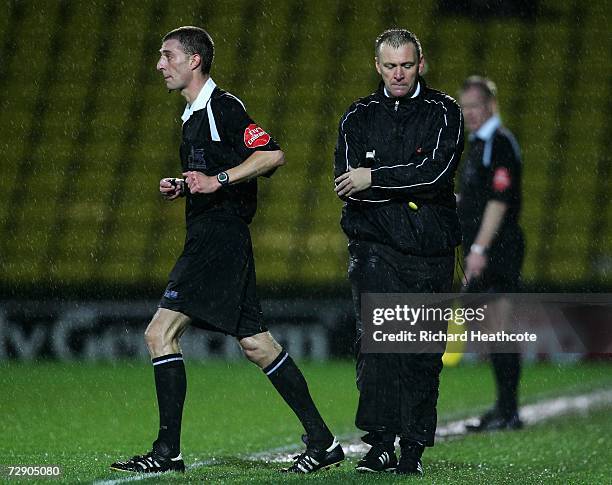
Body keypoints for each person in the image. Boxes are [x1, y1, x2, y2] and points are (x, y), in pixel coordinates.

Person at [110, 26, 344, 475]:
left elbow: (272, 155)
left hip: (218, 241)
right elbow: (215, 174)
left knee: (160, 333)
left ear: (194, 60)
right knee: (257, 344)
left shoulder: (223, 106)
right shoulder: (193, 115)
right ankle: (323, 440)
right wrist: (186, 186)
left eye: (167, 55)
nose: (160, 65)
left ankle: (166, 453)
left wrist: (217, 181)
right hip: (216, 236)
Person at [334, 29, 464, 475]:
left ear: (420, 63)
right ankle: (380, 441)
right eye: (390, 66)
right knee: (378, 347)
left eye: (406, 65)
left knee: (421, 353)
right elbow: (348, 187)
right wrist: (392, 183)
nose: (398, 74)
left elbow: (436, 176)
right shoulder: (356, 117)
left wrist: (376, 178)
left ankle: (412, 446)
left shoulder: (445, 111)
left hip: (430, 250)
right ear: (377, 66)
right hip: (375, 246)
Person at [457, 76, 524, 432]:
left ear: (491, 106)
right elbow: (478, 200)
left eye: (475, 107)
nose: (470, 114)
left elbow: (499, 202)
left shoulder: (499, 144)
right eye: (465, 108)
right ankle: (504, 407)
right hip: (487, 248)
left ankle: (508, 411)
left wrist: (480, 248)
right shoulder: (478, 144)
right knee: (491, 330)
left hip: (499, 249)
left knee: (499, 329)